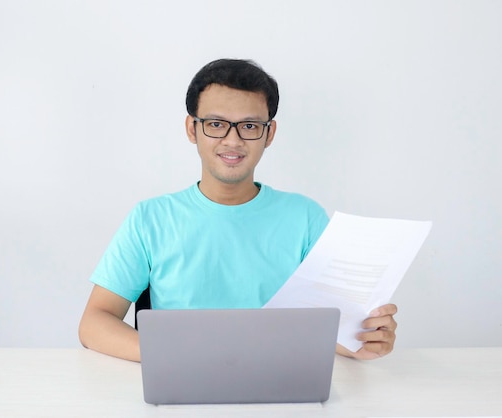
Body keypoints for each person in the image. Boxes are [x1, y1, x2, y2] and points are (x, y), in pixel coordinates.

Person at [78, 58, 397, 362]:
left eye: (249, 126)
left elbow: (334, 328)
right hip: (180, 380)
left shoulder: (306, 218)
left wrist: (361, 341)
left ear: (269, 134)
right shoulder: (150, 219)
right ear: (192, 129)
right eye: (216, 124)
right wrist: (171, 357)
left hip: (279, 382)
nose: (233, 140)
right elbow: (95, 322)